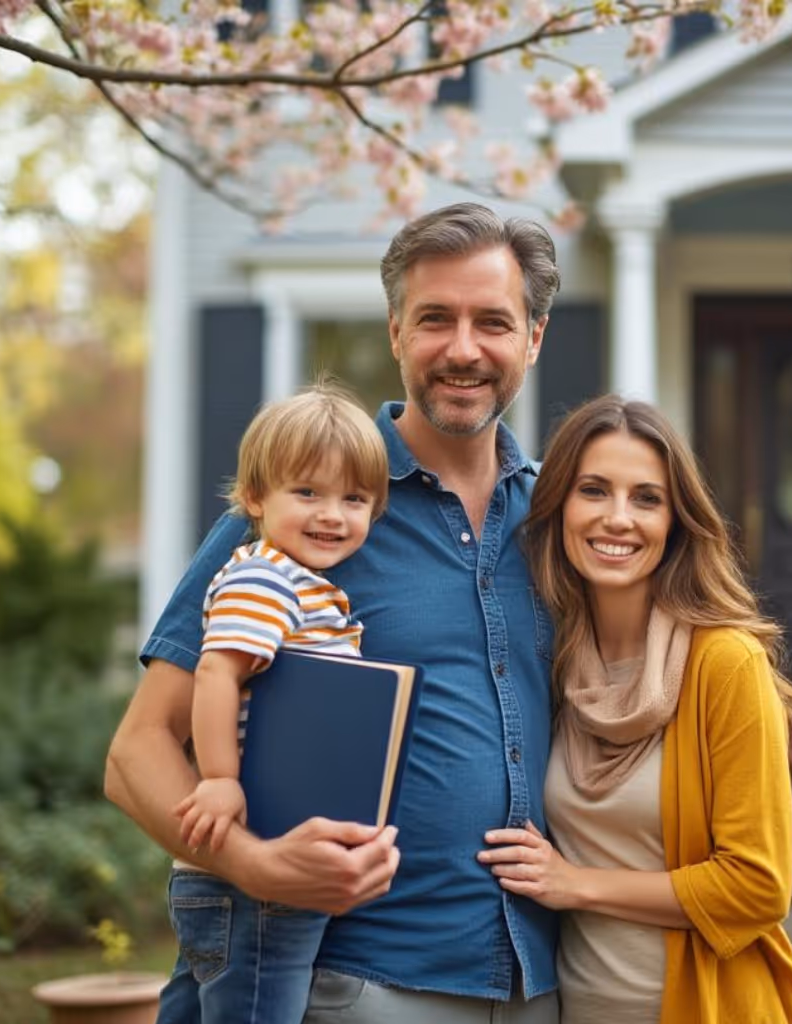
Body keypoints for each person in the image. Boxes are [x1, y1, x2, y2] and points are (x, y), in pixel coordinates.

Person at [105, 202, 563, 1024]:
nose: (463, 348)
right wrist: (253, 864)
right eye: (435, 320)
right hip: (352, 984)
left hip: (536, 981)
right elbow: (136, 752)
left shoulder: (560, 520)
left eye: (492, 321)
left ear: (532, 337)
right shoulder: (306, 515)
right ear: (395, 331)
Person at [480, 395, 792, 1023]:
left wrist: (573, 883)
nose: (618, 518)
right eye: (595, 490)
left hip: (703, 1009)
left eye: (647, 498)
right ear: (560, 509)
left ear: (676, 521)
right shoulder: (557, 663)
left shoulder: (725, 664)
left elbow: (758, 886)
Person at [164, 384, 388, 1023]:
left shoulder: (303, 583)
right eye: (308, 493)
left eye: (354, 499)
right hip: (256, 878)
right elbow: (215, 674)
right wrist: (220, 781)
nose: (332, 515)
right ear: (257, 497)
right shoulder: (267, 577)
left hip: (253, 880)